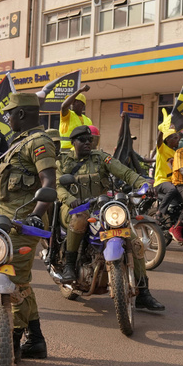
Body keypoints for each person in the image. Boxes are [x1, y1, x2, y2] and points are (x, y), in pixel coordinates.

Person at [57, 125, 165, 312]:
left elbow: (125, 172)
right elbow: (59, 186)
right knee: (80, 218)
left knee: (135, 242)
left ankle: (143, 291)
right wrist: (71, 200)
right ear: (73, 142)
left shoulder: (101, 158)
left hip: (102, 209)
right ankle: (69, 265)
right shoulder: (64, 162)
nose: (87, 143)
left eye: (90, 140)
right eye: (82, 140)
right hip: (74, 209)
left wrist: (143, 184)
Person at [0, 92, 56, 362]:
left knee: (11, 284)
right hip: (6, 224)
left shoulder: (39, 142)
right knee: (22, 284)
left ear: (20, 114)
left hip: (22, 225)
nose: (6, 118)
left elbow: (48, 183)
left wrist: (36, 217)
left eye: (9, 113)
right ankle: (36, 340)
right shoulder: (18, 143)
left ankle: (12, 344)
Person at [153, 129, 181, 214]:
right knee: (172, 190)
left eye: (178, 138)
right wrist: (162, 129)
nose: (178, 140)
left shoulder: (176, 153)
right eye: (175, 138)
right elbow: (159, 141)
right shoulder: (162, 149)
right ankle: (160, 212)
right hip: (161, 181)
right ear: (167, 140)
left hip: (173, 181)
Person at [58, 84, 92, 153]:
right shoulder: (68, 114)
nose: (72, 104)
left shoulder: (88, 120)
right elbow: (64, 106)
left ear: (82, 105)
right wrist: (79, 91)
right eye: (72, 101)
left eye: (75, 101)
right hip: (66, 151)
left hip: (80, 151)